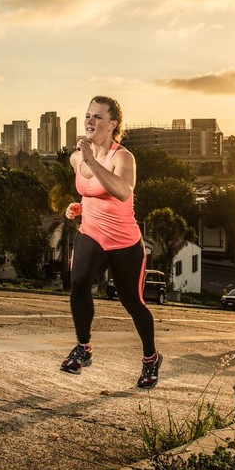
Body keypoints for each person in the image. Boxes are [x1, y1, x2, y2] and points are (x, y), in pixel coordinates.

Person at [62, 96, 162, 389]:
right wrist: (76, 206)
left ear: (113, 124)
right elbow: (89, 191)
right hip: (91, 233)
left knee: (133, 302)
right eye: (87, 115)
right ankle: (83, 348)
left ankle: (150, 358)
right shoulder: (76, 157)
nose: (90, 121)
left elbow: (121, 191)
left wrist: (93, 160)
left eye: (98, 117)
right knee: (78, 282)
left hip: (123, 242)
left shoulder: (122, 157)